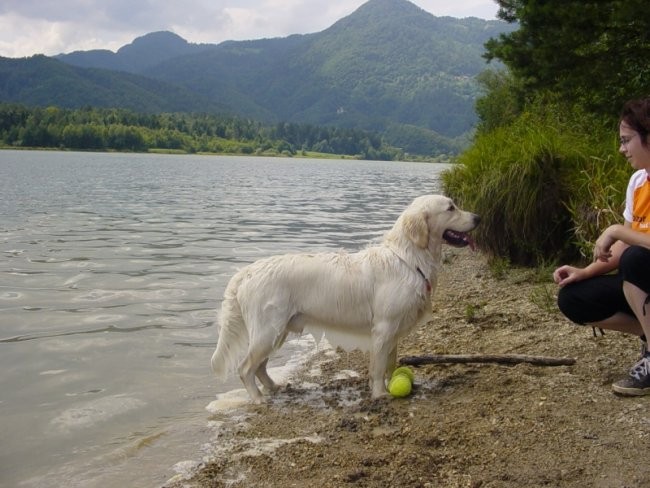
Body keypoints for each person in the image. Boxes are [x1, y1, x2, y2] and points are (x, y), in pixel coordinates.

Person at [553, 97, 650, 396]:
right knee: (573, 298)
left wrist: (615, 229)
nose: (621, 149)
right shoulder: (638, 181)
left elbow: (632, 244)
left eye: (626, 140)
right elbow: (624, 246)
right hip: (644, 279)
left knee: (635, 259)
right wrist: (585, 272)